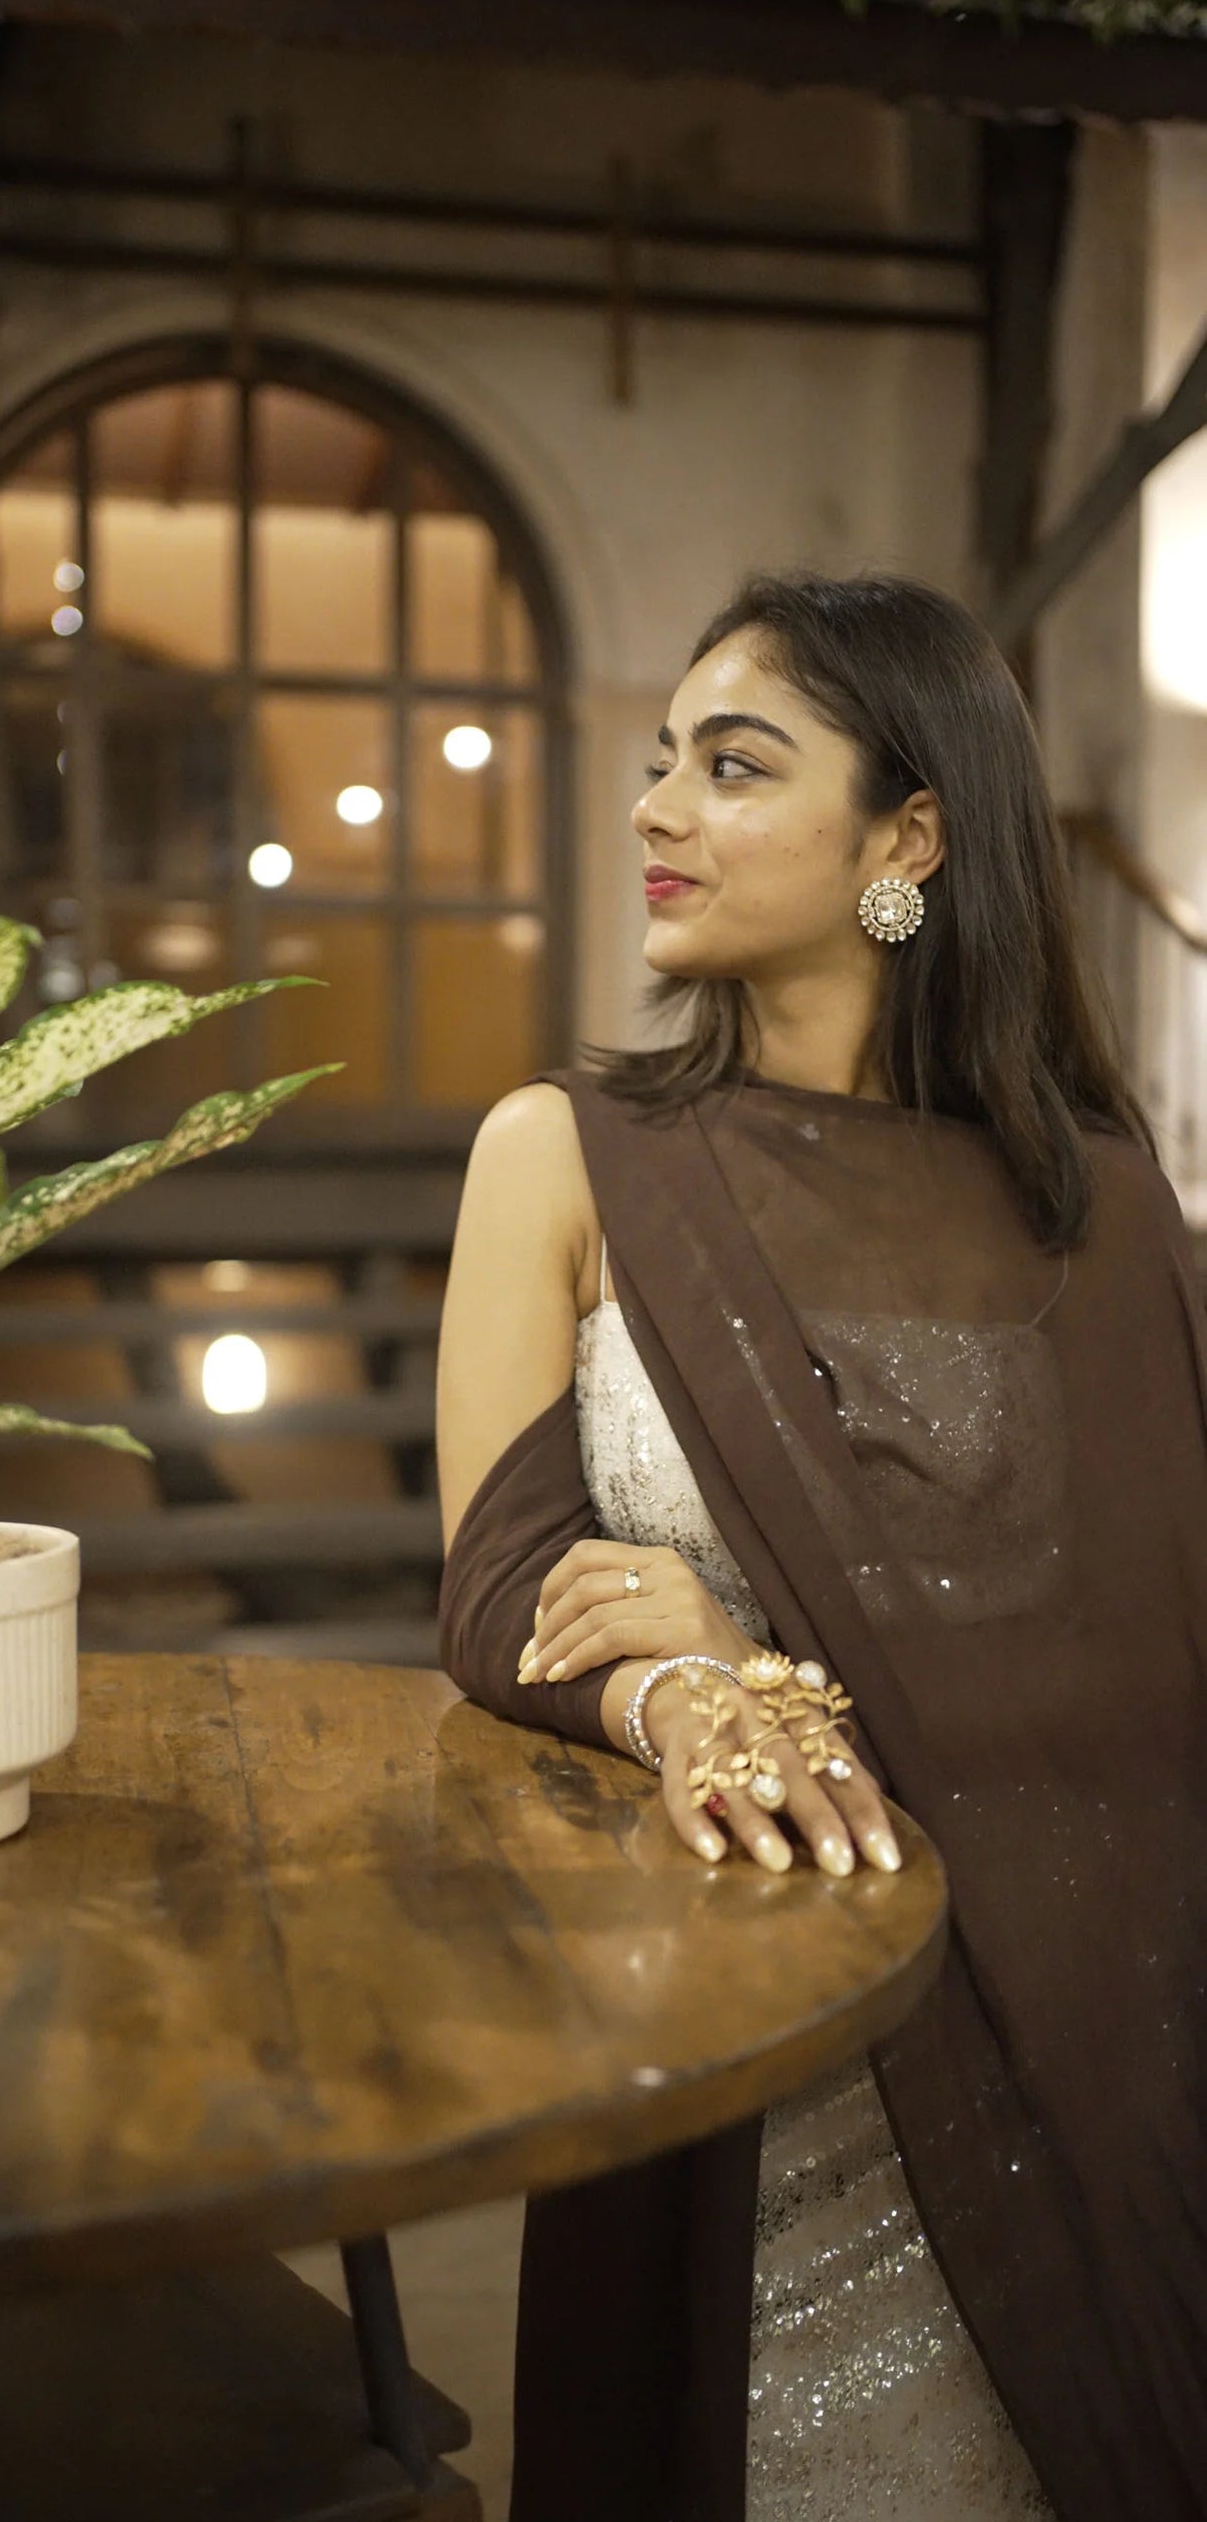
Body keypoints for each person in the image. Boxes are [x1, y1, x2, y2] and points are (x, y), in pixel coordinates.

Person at [435, 574, 1207, 2522]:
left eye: (736, 764)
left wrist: (751, 1642)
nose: (658, 809)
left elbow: (1146, 1656)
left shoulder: (1108, 1221)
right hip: (731, 2019)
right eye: (664, 760)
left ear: (909, 837)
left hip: (1078, 2034)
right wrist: (681, 1674)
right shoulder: (570, 1153)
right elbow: (501, 1586)